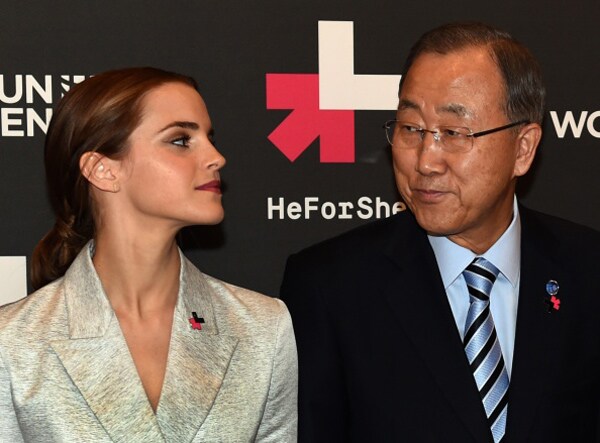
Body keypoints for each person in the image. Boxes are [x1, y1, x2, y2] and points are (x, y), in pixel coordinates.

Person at [280, 22, 600, 442]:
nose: (425, 161)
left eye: (453, 133)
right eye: (410, 129)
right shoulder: (330, 287)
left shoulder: (588, 270)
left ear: (523, 148)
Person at [0, 67, 297, 442]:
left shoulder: (262, 328)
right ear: (103, 170)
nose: (217, 157)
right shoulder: (13, 343)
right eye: (180, 140)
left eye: (209, 138)